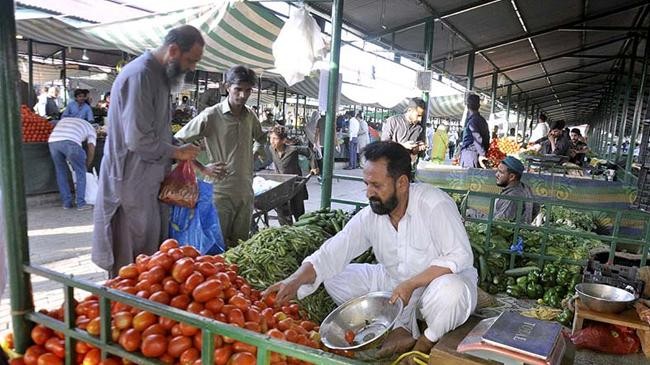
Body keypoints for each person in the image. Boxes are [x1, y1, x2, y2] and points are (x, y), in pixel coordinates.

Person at [264, 141, 477, 360]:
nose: (368, 193)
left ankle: (424, 342)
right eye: (366, 184)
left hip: (433, 289)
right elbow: (334, 250)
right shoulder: (372, 215)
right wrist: (295, 280)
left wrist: (412, 284)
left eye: (376, 185)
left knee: (454, 292)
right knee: (334, 276)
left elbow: (460, 255)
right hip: (394, 286)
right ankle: (400, 330)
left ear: (402, 183)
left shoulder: (434, 204)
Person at [92, 25, 204, 277]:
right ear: (173, 50)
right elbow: (139, 140)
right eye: (190, 60)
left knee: (148, 265)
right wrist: (178, 153)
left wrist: (184, 153)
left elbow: (158, 132)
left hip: (148, 183)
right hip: (130, 184)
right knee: (129, 265)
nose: (192, 68)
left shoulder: (158, 76)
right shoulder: (141, 75)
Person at [175, 65, 267, 247]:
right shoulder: (211, 115)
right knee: (217, 246)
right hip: (220, 192)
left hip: (245, 192)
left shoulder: (250, 116)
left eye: (248, 90)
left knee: (241, 246)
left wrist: (256, 151)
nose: (242, 95)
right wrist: (202, 169)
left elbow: (261, 138)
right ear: (227, 87)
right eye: (238, 89)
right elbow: (177, 142)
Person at [268, 126, 319, 225]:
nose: (272, 141)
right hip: (281, 185)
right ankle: (286, 230)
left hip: (295, 185)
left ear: (283, 140)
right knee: (282, 210)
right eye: (271, 138)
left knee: (298, 211)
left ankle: (301, 229)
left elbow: (309, 152)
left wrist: (313, 166)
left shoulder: (292, 150)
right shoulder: (271, 149)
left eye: (275, 139)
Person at [48, 117, 97, 210]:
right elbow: (91, 149)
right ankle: (81, 203)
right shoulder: (91, 128)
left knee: (60, 172)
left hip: (53, 141)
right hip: (71, 142)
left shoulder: (65, 120)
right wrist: (86, 165)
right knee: (80, 172)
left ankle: (66, 203)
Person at [493, 156, 539, 224]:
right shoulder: (524, 187)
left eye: (501, 172)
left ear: (512, 177)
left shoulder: (512, 197)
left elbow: (498, 224)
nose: (496, 174)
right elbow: (536, 207)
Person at [459, 94, 490, 168]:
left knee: (468, 178)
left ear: (467, 106)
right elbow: (487, 138)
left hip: (470, 156)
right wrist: (483, 153)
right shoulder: (483, 121)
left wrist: (482, 154)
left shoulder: (472, 121)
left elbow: (477, 138)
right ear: (479, 106)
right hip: (477, 155)